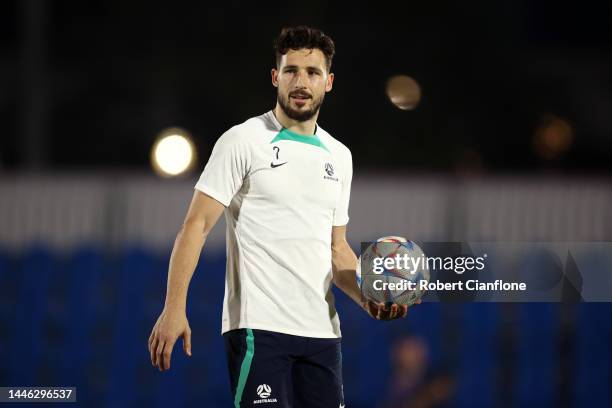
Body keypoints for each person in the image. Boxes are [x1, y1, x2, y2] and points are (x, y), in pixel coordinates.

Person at [148, 25, 411, 407]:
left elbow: (337, 251)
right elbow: (197, 225)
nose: (301, 81)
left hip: (322, 334)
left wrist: (367, 296)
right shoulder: (244, 140)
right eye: (291, 71)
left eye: (313, 72)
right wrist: (174, 308)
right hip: (259, 329)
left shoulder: (339, 156)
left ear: (329, 81)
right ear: (276, 77)